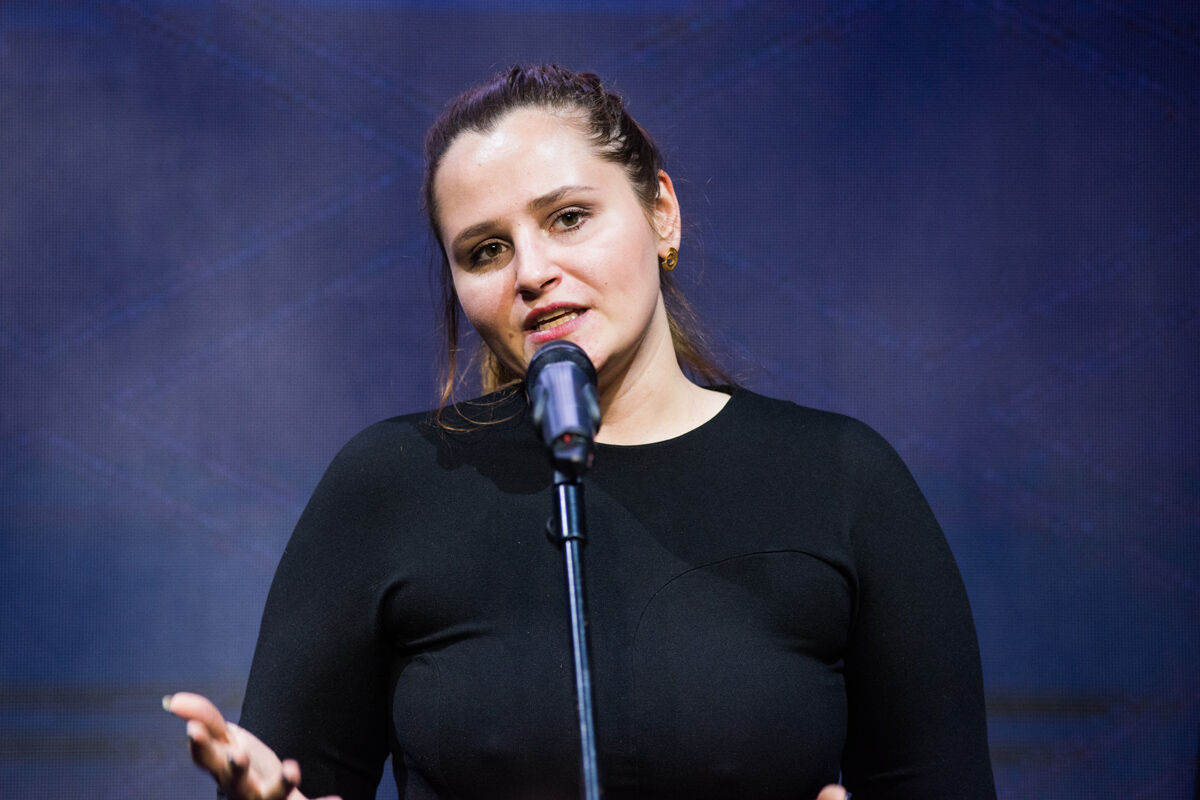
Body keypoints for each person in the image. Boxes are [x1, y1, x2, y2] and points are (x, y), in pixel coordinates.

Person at [167, 64, 996, 800]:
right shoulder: (391, 485)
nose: (532, 272)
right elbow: (289, 777)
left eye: (567, 217)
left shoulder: (841, 479)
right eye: (486, 250)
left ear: (661, 213)